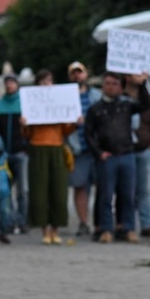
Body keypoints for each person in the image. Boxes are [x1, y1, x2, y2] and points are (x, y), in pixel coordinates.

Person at [84, 72, 150, 244]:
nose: (110, 87)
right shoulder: (95, 109)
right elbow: (89, 134)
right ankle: (106, 228)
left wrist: (142, 84)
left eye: (114, 83)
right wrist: (98, 153)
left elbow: (145, 104)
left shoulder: (126, 105)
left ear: (121, 87)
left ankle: (127, 227)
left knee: (128, 194)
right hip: (108, 157)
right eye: (107, 83)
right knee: (106, 195)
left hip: (126, 154)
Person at [21, 70, 78, 245]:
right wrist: (23, 125)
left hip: (57, 148)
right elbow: (26, 134)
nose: (47, 84)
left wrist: (75, 122)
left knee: (59, 190)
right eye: (43, 81)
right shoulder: (32, 103)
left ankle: (56, 229)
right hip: (38, 148)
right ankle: (44, 229)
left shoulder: (59, 101)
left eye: (50, 80)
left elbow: (66, 129)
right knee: (39, 191)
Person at [0, 73, 29, 234]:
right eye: (7, 83)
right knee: (5, 189)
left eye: (12, 82)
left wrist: (26, 146)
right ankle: (9, 221)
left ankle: (23, 220)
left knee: (23, 190)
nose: (9, 85)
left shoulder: (25, 104)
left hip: (21, 151)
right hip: (4, 154)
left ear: (17, 85)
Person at [67, 61, 101, 237]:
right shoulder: (63, 97)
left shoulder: (97, 95)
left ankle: (100, 222)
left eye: (79, 72)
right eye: (73, 73)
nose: (77, 76)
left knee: (102, 186)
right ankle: (83, 222)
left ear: (86, 74)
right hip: (77, 147)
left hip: (97, 147)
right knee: (80, 186)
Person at [130, 75, 150, 238]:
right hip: (126, 150)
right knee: (127, 191)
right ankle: (128, 225)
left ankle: (147, 223)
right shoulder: (122, 99)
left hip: (145, 149)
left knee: (145, 190)